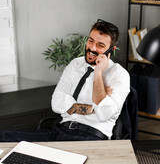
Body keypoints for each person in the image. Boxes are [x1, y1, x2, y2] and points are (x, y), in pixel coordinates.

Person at [0, 19, 130, 142]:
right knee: (4, 137)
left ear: (110, 50)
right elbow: (56, 103)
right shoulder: (75, 64)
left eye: (100, 45)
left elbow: (104, 114)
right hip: (59, 131)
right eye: (91, 41)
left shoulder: (119, 75)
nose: (92, 48)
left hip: (91, 136)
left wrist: (98, 73)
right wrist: (92, 108)